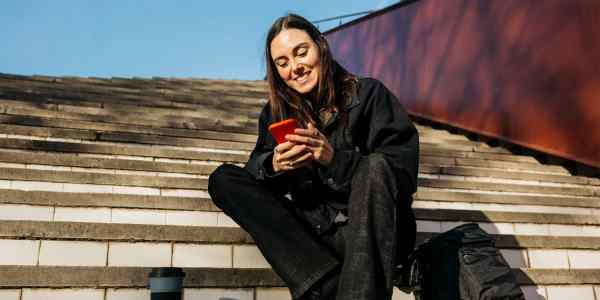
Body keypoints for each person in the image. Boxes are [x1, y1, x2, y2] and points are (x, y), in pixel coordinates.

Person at [208, 13, 419, 300]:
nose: (295, 67)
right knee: (223, 179)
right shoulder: (274, 114)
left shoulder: (370, 94)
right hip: (317, 240)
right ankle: (323, 283)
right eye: (282, 63)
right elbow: (256, 184)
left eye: (301, 52)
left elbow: (402, 175)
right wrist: (274, 165)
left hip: (376, 233)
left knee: (377, 165)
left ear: (321, 46)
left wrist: (335, 159)